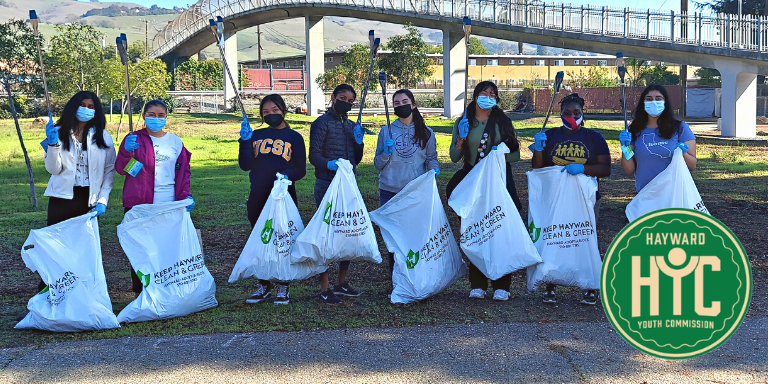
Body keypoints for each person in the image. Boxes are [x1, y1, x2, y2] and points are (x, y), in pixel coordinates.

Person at [530, 93, 611, 306]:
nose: (572, 116)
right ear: (560, 114)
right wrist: (538, 148)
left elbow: (605, 169)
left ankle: (590, 286)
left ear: (583, 114)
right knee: (555, 238)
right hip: (554, 198)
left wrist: (583, 168)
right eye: (567, 113)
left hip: (586, 200)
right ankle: (550, 282)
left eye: (577, 113)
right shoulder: (550, 135)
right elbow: (538, 168)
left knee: (585, 238)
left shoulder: (594, 138)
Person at [447, 80, 522, 302]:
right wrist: (461, 138)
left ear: (496, 99)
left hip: (499, 181)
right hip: (473, 181)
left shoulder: (503, 122)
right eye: (483, 92)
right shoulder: (464, 121)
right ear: (475, 95)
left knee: (499, 230)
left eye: (492, 93)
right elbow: (453, 157)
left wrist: (499, 155)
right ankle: (477, 283)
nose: (488, 96)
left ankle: (502, 284)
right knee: (476, 229)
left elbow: (516, 156)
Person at [115, 99, 194, 297]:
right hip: (140, 204)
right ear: (144, 116)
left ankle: (166, 290)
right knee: (141, 249)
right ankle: (142, 292)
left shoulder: (175, 142)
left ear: (166, 117)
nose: (156, 119)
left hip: (168, 203)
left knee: (166, 248)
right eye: (151, 115)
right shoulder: (133, 139)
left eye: (161, 115)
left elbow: (183, 172)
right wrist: (126, 151)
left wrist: (185, 196)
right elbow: (121, 169)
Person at [42, 91, 116, 290]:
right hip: (62, 198)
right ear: (73, 107)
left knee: (85, 251)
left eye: (91, 107)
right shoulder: (57, 131)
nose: (87, 109)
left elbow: (109, 171)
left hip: (89, 201)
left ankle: (84, 295)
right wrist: (52, 144)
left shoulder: (103, 136)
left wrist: (103, 200)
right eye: (83, 105)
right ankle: (49, 296)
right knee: (55, 249)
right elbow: (53, 169)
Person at [237, 94, 307, 305]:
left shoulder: (294, 137)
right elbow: (245, 165)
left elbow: (301, 170)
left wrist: (286, 175)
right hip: (258, 193)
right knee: (260, 240)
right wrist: (244, 142)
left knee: (282, 239)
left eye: (274, 111)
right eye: (265, 112)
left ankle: (283, 285)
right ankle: (263, 284)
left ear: (283, 110)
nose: (270, 115)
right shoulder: (255, 135)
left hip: (282, 196)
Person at [373, 89, 439, 290]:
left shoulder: (426, 133)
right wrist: (385, 152)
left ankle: (416, 277)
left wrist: (434, 169)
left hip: (414, 193)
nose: (400, 105)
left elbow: (431, 158)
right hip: (390, 191)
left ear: (413, 104)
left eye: (404, 101)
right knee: (394, 240)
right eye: (396, 102)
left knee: (414, 237)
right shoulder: (386, 131)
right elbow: (377, 164)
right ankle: (396, 281)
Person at [308, 84, 364, 304]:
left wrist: (359, 142)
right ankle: (324, 286)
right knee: (326, 234)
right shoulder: (321, 124)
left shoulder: (352, 126)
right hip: (326, 184)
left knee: (347, 232)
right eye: (342, 98)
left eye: (350, 101)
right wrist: (329, 165)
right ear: (333, 97)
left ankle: (341, 283)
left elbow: (356, 159)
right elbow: (314, 156)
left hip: (348, 187)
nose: (346, 103)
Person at [620, 85, 697, 193]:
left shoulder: (680, 128)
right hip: (646, 194)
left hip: (675, 194)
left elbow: (692, 165)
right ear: (643, 103)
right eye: (649, 99)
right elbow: (629, 169)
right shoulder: (634, 130)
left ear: (665, 102)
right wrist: (625, 148)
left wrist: (683, 153)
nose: (654, 102)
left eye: (658, 98)